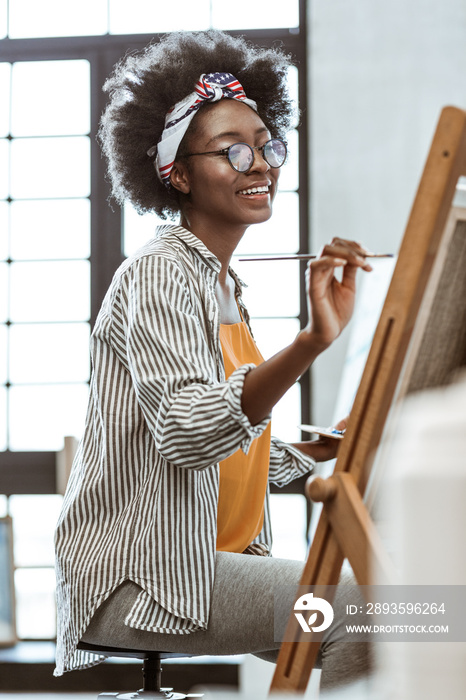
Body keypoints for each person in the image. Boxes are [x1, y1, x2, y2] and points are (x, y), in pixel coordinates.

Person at [54, 30, 372, 691]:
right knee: (375, 611)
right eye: (232, 150)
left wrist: (326, 450)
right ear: (177, 172)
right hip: (142, 579)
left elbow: (236, 446)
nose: (259, 164)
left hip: (207, 563)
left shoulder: (223, 287)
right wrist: (311, 343)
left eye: (266, 144)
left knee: (420, 613)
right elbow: (189, 431)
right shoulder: (161, 273)